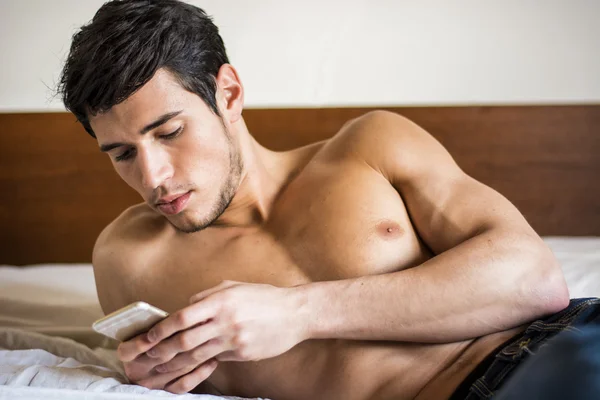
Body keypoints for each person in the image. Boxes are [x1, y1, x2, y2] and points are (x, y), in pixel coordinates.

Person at [56, 1, 598, 399]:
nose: (154, 178)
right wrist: (160, 376)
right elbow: (169, 376)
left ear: (229, 94)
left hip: (551, 350)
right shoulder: (128, 258)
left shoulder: (370, 146)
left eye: (170, 131)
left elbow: (535, 280)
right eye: (122, 153)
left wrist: (298, 311)